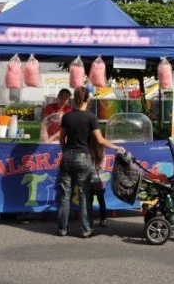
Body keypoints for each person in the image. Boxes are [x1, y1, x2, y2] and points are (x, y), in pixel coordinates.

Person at [56, 86, 124, 238]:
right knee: (84, 194)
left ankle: (62, 228)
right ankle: (86, 229)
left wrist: (64, 151)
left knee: (65, 195)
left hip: (67, 156)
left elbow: (62, 138)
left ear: (75, 98)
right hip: (83, 157)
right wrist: (116, 147)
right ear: (88, 99)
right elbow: (100, 140)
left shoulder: (67, 117)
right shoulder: (90, 117)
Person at [89, 136, 107, 228]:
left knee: (90, 199)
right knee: (101, 199)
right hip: (100, 177)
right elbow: (104, 165)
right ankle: (103, 219)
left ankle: (89, 220)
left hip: (91, 177)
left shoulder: (89, 150)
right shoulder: (102, 150)